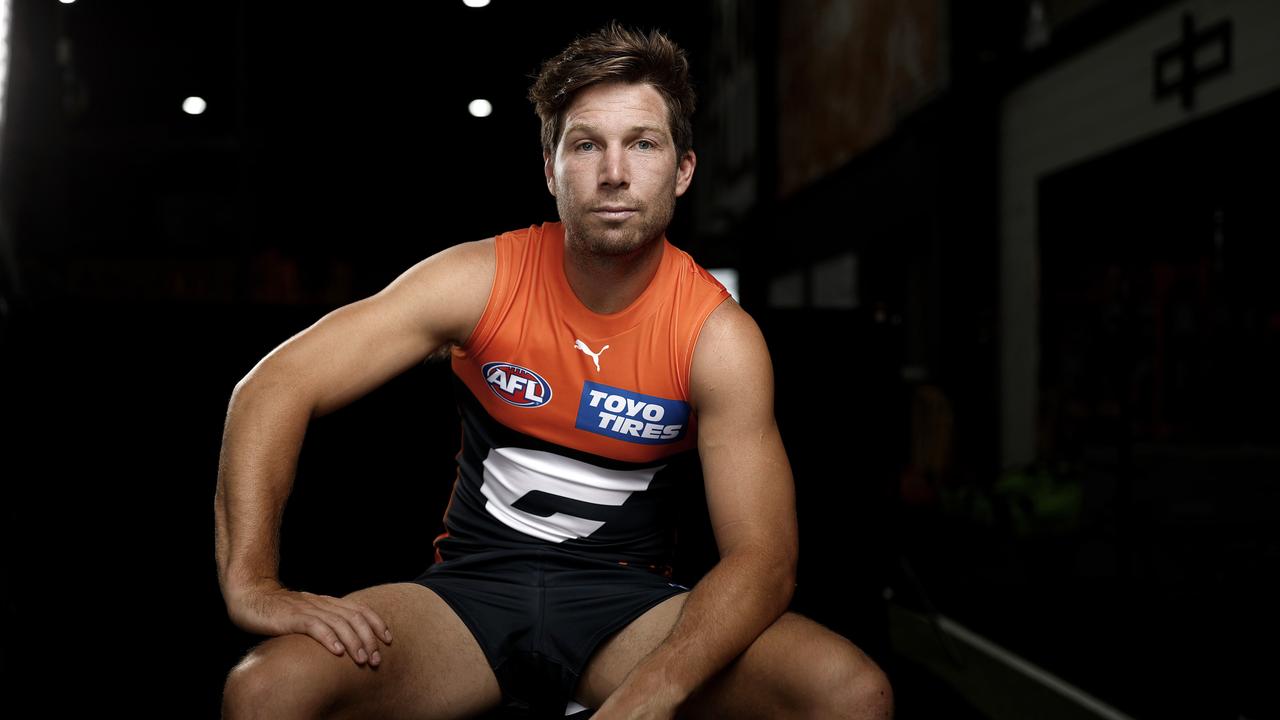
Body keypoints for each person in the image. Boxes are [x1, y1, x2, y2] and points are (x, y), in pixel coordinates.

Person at [216, 21, 893, 719]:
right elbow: (274, 385)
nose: (614, 173)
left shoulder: (716, 337)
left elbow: (764, 559)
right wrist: (251, 580)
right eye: (586, 144)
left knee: (850, 690)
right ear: (550, 167)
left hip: (627, 611)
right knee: (265, 687)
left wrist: (651, 693)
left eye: (643, 143)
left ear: (683, 169)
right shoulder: (479, 280)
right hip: (467, 600)